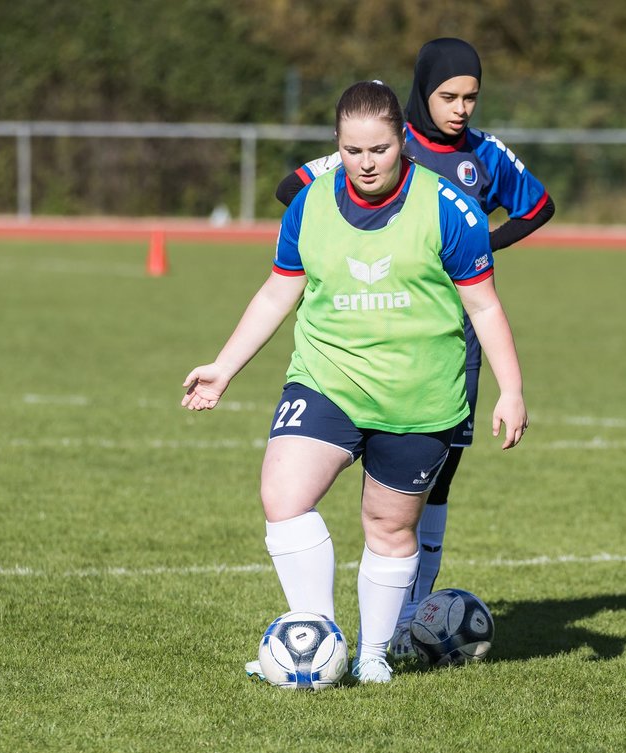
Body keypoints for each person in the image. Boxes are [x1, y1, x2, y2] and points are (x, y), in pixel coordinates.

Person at [183, 80, 528, 685]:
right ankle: (314, 636)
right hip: (327, 379)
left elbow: (486, 309)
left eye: (379, 149)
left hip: (417, 398)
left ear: (402, 143)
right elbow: (278, 291)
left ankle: (372, 654)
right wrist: (223, 366)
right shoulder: (309, 203)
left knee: (389, 527)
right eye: (352, 151)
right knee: (283, 499)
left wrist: (511, 389)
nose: (366, 163)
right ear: (337, 147)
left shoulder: (449, 209)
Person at [275, 38, 553, 655]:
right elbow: (291, 189)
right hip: (361, 341)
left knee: (434, 484)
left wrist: (477, 248)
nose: (460, 109)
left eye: (471, 98)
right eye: (448, 96)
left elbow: (539, 206)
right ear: (419, 98)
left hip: (451, 343)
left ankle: (404, 623)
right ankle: (357, 626)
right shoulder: (383, 143)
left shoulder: (484, 155)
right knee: (318, 489)